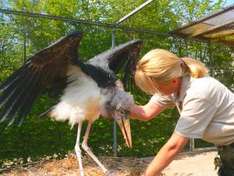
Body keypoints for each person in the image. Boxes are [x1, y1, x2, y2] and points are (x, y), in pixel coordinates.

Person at [128, 49, 234, 176]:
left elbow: (175, 145)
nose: (155, 92)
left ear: (172, 80)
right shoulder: (174, 85)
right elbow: (146, 112)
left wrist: (148, 174)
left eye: (156, 87)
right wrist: (113, 105)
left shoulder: (199, 92)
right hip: (227, 148)